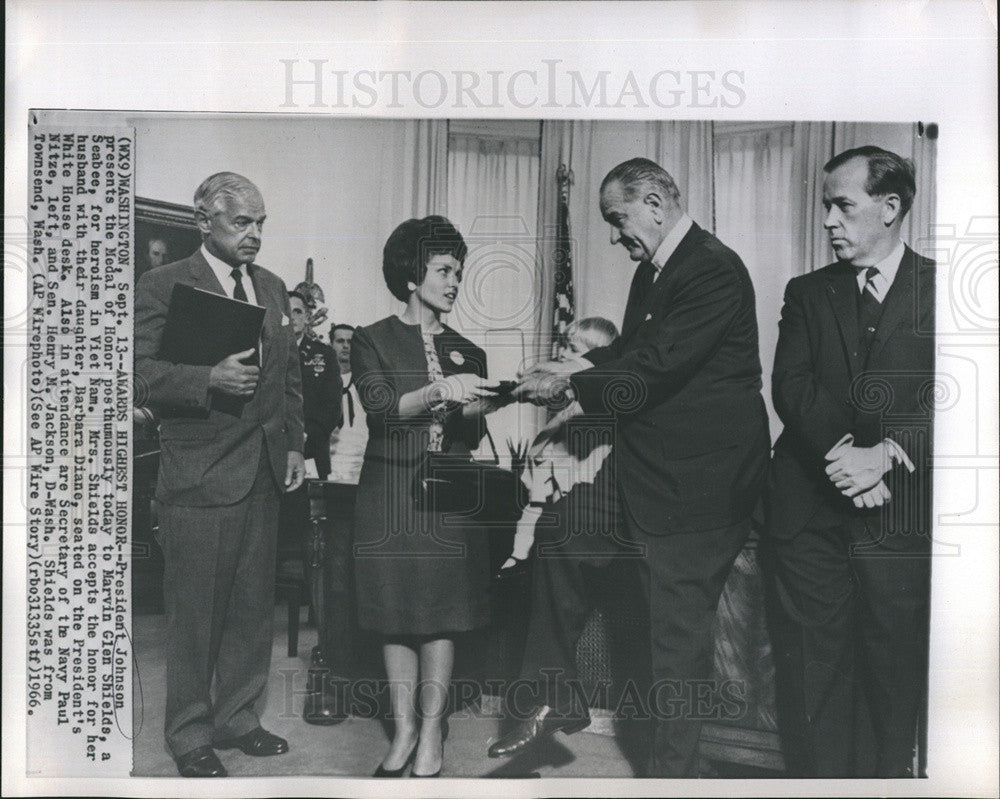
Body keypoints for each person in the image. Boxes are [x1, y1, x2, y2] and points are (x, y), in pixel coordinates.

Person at [498, 157, 770, 777]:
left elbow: (654, 370)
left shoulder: (713, 270)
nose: (617, 237)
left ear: (654, 200)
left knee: (675, 645)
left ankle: (671, 782)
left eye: (618, 220)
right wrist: (560, 371)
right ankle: (550, 693)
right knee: (563, 529)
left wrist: (569, 389)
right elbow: (629, 351)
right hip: (646, 466)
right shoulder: (657, 270)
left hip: (704, 484)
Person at [765, 146, 935, 777]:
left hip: (899, 521)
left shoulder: (946, 288)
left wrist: (887, 455)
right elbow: (792, 386)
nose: (829, 221)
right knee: (816, 673)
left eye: (843, 205)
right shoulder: (807, 292)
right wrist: (847, 458)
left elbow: (966, 398)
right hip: (809, 514)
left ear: (890, 208)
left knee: (892, 672)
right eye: (825, 207)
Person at [134, 172, 305, 777]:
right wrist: (205, 379)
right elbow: (135, 374)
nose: (255, 235)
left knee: (252, 608)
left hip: (262, 471)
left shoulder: (274, 288)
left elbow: (289, 380)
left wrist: (293, 446)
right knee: (194, 615)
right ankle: (188, 734)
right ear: (203, 220)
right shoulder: (162, 284)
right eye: (242, 223)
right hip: (199, 476)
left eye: (260, 223)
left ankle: (238, 717)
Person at [351, 215, 501, 778]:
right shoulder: (371, 339)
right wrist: (438, 390)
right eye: (444, 270)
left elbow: (469, 434)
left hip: (448, 491)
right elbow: (381, 408)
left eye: (458, 271)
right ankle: (404, 728)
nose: (455, 281)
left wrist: (479, 407)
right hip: (390, 492)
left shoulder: (469, 350)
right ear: (413, 276)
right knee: (394, 613)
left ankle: (433, 728)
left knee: (441, 615)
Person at [500, 317, 619, 571]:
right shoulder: (566, 408)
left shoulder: (601, 414)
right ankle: (519, 558)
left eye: (573, 349)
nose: (562, 353)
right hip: (544, 496)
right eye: (563, 346)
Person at [302, 321, 367, 726]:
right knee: (328, 570)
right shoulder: (320, 382)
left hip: (363, 485)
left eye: (351, 343)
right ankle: (328, 655)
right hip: (325, 483)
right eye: (339, 342)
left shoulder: (370, 386)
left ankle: (358, 663)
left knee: (357, 575)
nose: (345, 349)